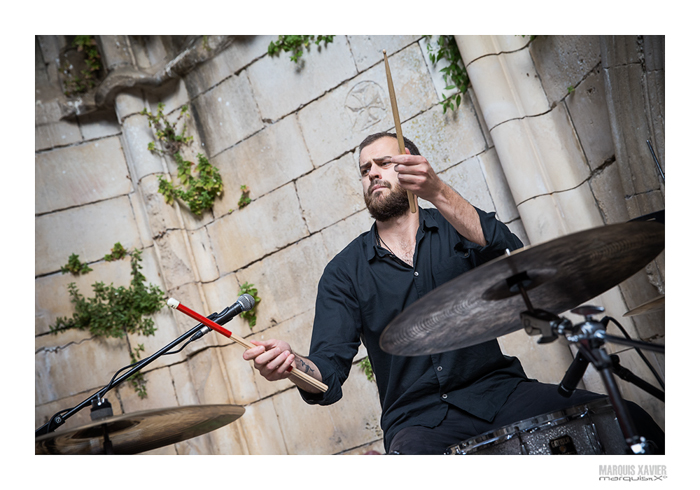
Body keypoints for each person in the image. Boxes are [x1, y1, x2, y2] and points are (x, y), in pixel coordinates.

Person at [242, 132, 664, 454]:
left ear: (410, 167)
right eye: (365, 168)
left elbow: (517, 259)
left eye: (384, 163)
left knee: (631, 419)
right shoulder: (343, 272)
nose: (372, 172)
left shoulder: (455, 227)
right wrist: (292, 364)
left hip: (499, 392)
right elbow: (327, 375)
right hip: (417, 420)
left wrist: (438, 191)